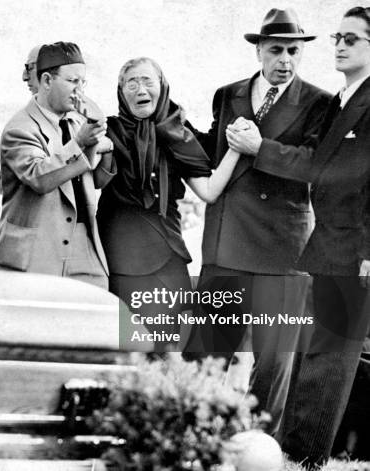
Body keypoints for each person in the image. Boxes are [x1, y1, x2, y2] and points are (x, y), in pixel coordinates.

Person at [232, 6, 370, 465]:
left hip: (354, 248)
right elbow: (317, 166)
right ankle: (295, 452)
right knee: (313, 357)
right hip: (327, 245)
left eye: (353, 38)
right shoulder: (342, 101)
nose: (341, 45)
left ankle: (305, 457)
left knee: (330, 360)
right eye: (338, 36)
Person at [189, 8, 331, 436]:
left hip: (283, 249)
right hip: (226, 242)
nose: (285, 59)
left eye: (294, 50)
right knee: (207, 356)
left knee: (272, 365)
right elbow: (213, 153)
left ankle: (260, 451)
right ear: (258, 51)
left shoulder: (321, 103)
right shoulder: (226, 93)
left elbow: (315, 166)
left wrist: (259, 148)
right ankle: (193, 442)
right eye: (276, 50)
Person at [96, 57, 241, 349]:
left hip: (167, 252)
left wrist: (237, 151)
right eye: (131, 82)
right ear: (120, 92)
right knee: (128, 345)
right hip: (120, 252)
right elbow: (93, 179)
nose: (140, 89)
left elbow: (209, 191)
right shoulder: (107, 132)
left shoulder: (177, 132)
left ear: (162, 88)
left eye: (148, 81)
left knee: (168, 345)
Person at [0, 41, 111, 288]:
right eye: (72, 82)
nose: (80, 92)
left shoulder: (77, 122)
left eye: (82, 83)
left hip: (84, 250)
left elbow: (98, 179)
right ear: (46, 80)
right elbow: (39, 177)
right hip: (34, 255)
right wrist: (81, 144)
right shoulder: (19, 128)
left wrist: (104, 143)